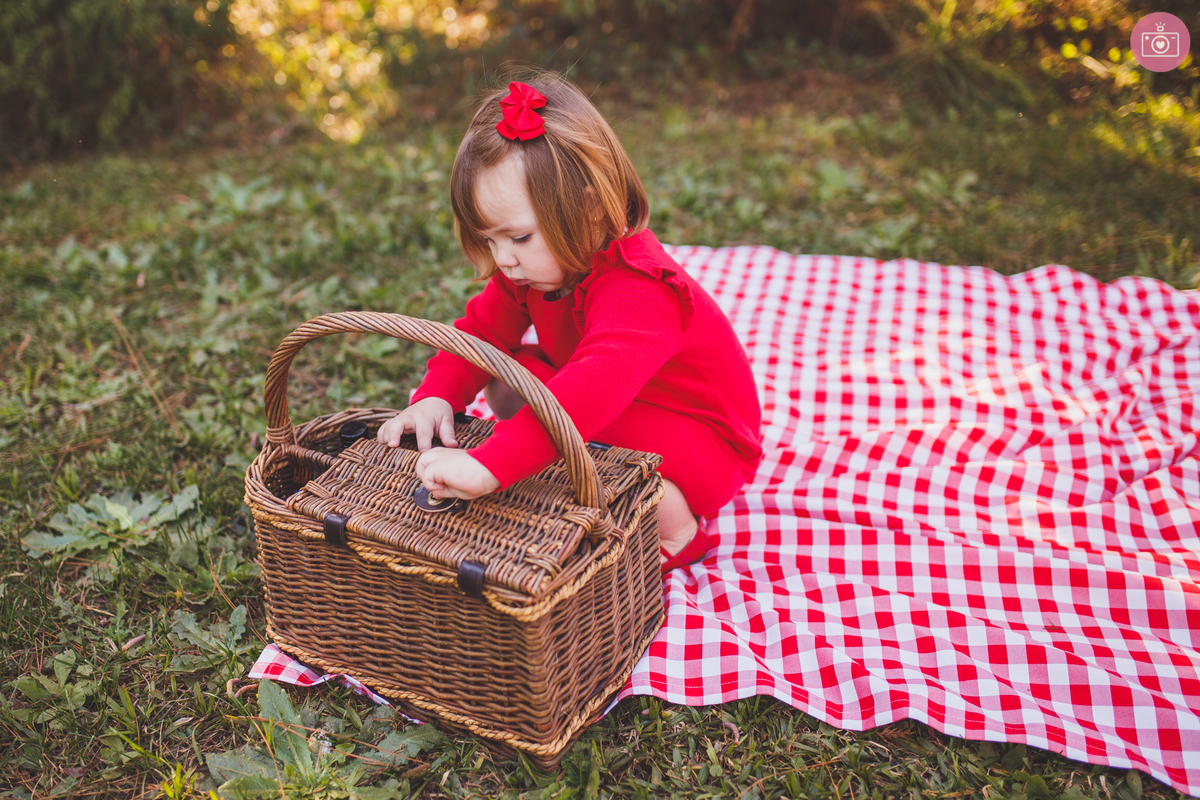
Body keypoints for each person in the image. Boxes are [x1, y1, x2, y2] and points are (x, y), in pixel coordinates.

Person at [378, 71, 762, 572]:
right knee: (507, 372)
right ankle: (546, 448)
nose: (504, 259)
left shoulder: (640, 290)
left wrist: (492, 466)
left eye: (517, 238)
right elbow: (479, 333)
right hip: (623, 399)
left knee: (570, 419)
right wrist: (436, 396)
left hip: (703, 443)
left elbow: (583, 398)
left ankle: (678, 530)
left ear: (588, 208)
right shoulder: (535, 267)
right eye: (489, 240)